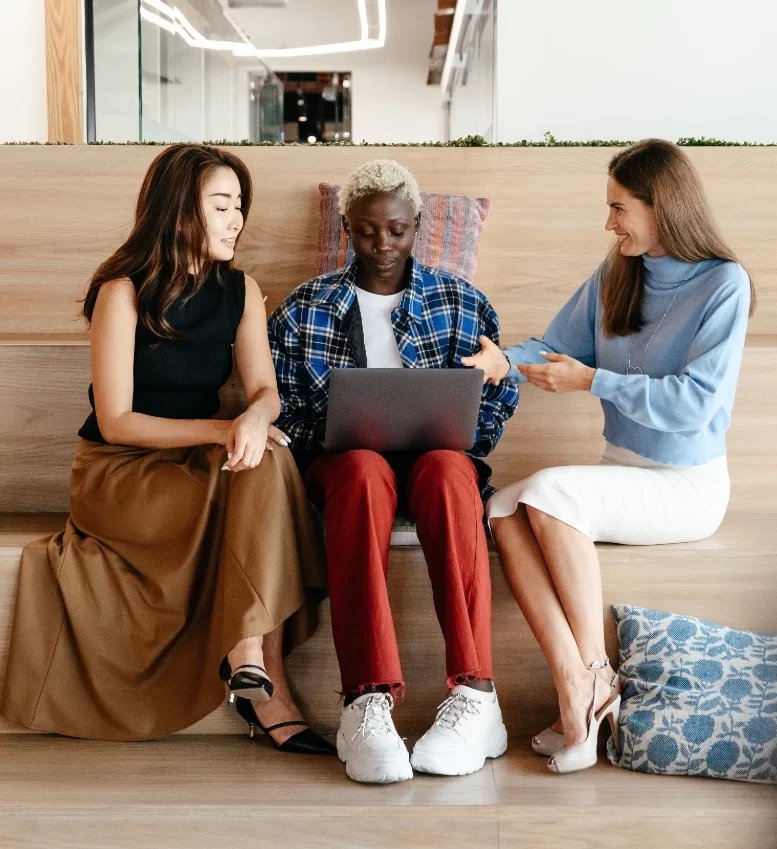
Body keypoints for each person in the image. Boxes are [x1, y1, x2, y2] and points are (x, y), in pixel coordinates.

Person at [1, 143, 334, 755]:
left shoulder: (242, 291)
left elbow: (265, 390)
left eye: (240, 206)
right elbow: (118, 420)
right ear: (181, 210)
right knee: (256, 473)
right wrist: (223, 430)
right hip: (120, 473)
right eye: (222, 206)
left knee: (271, 460)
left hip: (196, 467)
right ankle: (265, 687)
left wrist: (256, 419)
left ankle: (250, 663)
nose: (237, 220)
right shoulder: (122, 292)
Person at [463, 138, 754, 774]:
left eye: (620, 208)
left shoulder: (724, 284)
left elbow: (695, 405)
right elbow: (556, 344)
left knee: (548, 493)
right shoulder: (618, 272)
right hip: (623, 468)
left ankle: (594, 677)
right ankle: (575, 679)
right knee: (504, 506)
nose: (609, 222)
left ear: (663, 206)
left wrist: (593, 381)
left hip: (687, 485)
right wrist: (502, 361)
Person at [268, 159, 518, 783]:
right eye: (368, 232)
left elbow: (497, 393)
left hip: (437, 463)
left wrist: (464, 433)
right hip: (346, 466)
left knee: (447, 471)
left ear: (418, 227)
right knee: (360, 470)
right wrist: (330, 431)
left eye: (398, 231)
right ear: (347, 228)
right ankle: (365, 700)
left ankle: (476, 695)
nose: (383, 245)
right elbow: (278, 405)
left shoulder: (461, 300)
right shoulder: (306, 306)